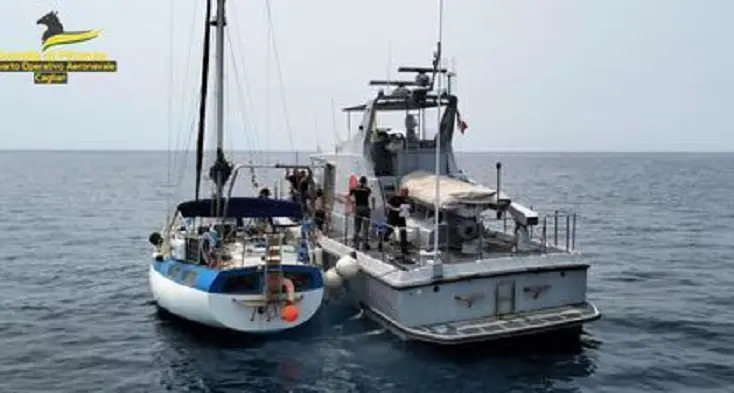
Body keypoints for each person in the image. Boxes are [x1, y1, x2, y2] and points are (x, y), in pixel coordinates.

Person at [382, 187, 410, 256]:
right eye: (405, 193)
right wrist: (395, 209)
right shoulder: (394, 197)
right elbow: (387, 205)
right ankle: (383, 240)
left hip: (401, 218)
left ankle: (404, 249)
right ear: (401, 192)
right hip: (393, 217)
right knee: (389, 230)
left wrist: (409, 209)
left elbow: (408, 207)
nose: (406, 195)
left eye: (407, 193)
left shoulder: (405, 199)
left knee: (403, 232)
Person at [349, 176, 375, 250]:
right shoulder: (367, 189)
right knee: (366, 227)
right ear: (366, 182)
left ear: (359, 181)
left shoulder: (355, 189)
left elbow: (350, 197)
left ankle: (356, 245)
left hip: (358, 208)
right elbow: (373, 198)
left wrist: (353, 204)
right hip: (366, 208)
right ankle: (365, 244)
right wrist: (373, 207)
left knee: (357, 227)